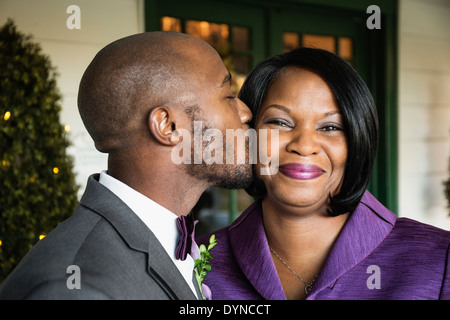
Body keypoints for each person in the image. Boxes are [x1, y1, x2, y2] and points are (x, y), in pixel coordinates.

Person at [0, 31, 252, 299]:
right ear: (168, 126)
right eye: (228, 96)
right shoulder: (79, 289)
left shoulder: (164, 236)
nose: (246, 112)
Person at [198, 47, 450, 300]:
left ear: (358, 142)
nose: (304, 145)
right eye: (280, 123)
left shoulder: (440, 260)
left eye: (330, 127)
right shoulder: (196, 262)